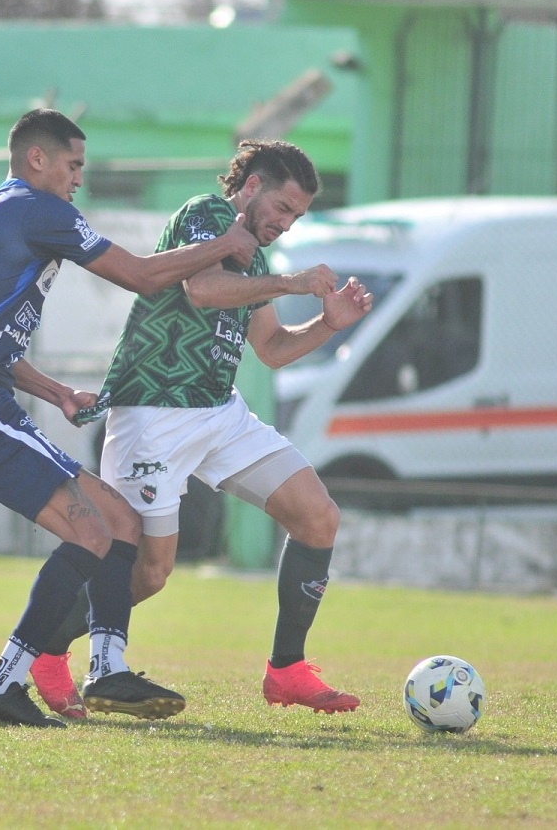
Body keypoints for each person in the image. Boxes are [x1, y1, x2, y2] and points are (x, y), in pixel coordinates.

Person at [0, 108, 259, 727]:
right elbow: (139, 275)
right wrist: (225, 245)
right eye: (74, 165)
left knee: (119, 520)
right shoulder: (39, 210)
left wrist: (55, 393)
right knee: (90, 533)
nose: (79, 178)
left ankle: (108, 670)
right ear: (38, 160)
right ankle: (2, 684)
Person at [40, 140, 373, 714]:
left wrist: (327, 324)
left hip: (219, 413)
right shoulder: (207, 214)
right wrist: (293, 284)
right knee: (149, 571)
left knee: (317, 515)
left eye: (296, 217)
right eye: (283, 209)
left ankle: (287, 670)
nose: (286, 225)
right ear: (251, 188)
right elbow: (203, 289)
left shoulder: (259, 257)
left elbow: (269, 347)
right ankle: (45, 652)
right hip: (154, 417)